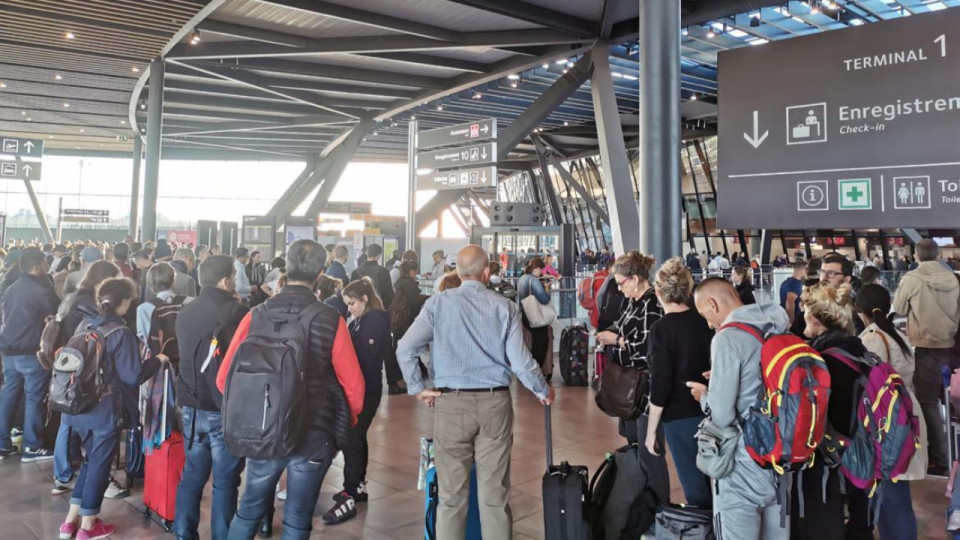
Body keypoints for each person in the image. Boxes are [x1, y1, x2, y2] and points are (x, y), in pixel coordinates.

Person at [396, 245, 554, 539]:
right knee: (495, 497)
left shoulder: (437, 304)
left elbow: (405, 347)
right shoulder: (504, 307)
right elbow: (520, 361)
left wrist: (418, 388)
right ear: (487, 272)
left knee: (451, 499)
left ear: (457, 271)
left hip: (451, 404)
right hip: (495, 403)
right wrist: (542, 390)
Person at [217, 240, 365, 540]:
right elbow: (354, 387)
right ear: (321, 272)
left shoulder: (255, 314)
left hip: (262, 429)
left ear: (287, 267)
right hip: (314, 433)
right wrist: (340, 426)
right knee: (298, 519)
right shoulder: (330, 319)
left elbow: (224, 380)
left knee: (248, 511)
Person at [688, 278, 788, 539]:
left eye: (705, 315)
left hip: (744, 463)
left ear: (712, 304)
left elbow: (722, 415)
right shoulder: (777, 327)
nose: (709, 324)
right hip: (780, 458)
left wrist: (705, 396)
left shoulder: (728, 337)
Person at [58, 277, 154, 540]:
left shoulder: (85, 323)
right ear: (123, 302)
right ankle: (87, 527)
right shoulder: (120, 331)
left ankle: (69, 522)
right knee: (101, 465)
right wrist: (157, 360)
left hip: (77, 405)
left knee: (90, 461)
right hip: (104, 409)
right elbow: (132, 376)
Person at [172, 255, 248, 540]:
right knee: (225, 482)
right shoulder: (237, 313)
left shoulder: (185, 311)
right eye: (234, 277)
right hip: (223, 406)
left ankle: (183, 533)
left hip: (190, 405)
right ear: (225, 281)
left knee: (192, 476)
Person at [795, 283, 872, 540]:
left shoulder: (821, 358)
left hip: (834, 452)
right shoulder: (857, 348)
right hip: (862, 447)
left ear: (815, 318)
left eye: (805, 310)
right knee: (860, 515)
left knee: (827, 518)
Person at [855, 283, 925, 540]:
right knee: (891, 496)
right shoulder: (896, 334)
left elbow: (869, 383)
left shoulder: (872, 338)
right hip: (904, 411)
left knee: (893, 498)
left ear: (859, 310)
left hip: (888, 420)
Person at [644, 258, 712, 508]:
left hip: (679, 417)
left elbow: (660, 383)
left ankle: (704, 526)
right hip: (710, 409)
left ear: (658, 292)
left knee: (694, 484)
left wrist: (651, 430)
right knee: (715, 477)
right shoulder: (705, 321)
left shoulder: (661, 329)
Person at [322, 279, 390, 525]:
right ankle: (356, 485)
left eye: (352, 303)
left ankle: (352, 488)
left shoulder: (374, 321)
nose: (349, 308)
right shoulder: (361, 320)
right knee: (356, 436)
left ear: (364, 299)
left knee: (353, 437)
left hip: (367, 389)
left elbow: (365, 357)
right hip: (361, 387)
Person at [52, 260, 121, 496]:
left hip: (65, 365)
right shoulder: (89, 305)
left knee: (68, 419)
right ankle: (70, 475)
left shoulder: (72, 297)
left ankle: (63, 474)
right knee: (73, 422)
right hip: (79, 369)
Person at [892, 238, 960, 475]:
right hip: (952, 347)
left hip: (926, 347)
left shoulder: (911, 279)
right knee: (954, 401)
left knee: (928, 402)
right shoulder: (953, 279)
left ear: (916, 256)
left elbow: (899, 308)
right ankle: (954, 452)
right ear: (939, 255)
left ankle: (940, 458)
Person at [596, 252, 663, 442]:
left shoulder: (651, 304)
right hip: (629, 385)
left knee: (644, 446)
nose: (618, 288)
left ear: (635, 279)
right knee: (632, 439)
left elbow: (647, 351)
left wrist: (616, 340)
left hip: (642, 389)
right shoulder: (633, 301)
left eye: (621, 283)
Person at [0, 248, 59, 462]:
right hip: (32, 352)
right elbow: (56, 316)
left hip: (8, 351)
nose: (47, 266)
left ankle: (2, 444)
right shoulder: (41, 290)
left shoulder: (11, 288)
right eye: (44, 262)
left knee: (8, 397)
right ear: (36, 267)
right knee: (34, 398)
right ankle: (32, 447)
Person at [389, 260, 423, 395]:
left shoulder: (400, 283)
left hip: (398, 321)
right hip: (407, 321)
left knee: (397, 346)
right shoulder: (410, 285)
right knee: (408, 348)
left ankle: (397, 377)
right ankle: (404, 377)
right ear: (412, 271)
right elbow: (414, 303)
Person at [517, 257, 553, 381]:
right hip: (535, 316)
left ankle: (529, 370)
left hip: (525, 314)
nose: (541, 273)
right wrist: (546, 289)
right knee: (541, 343)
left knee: (532, 343)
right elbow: (544, 299)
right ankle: (536, 371)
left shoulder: (522, 278)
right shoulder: (533, 280)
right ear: (536, 268)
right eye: (541, 270)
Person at [351, 244, 394, 309]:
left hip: (360, 310)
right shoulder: (383, 271)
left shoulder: (355, 272)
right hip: (378, 310)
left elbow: (351, 294)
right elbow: (389, 296)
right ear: (378, 255)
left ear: (367, 254)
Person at [780, 262, 806, 328]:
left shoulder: (786, 282)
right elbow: (789, 302)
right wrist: (791, 323)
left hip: (784, 319)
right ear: (803, 270)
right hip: (794, 323)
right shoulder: (795, 284)